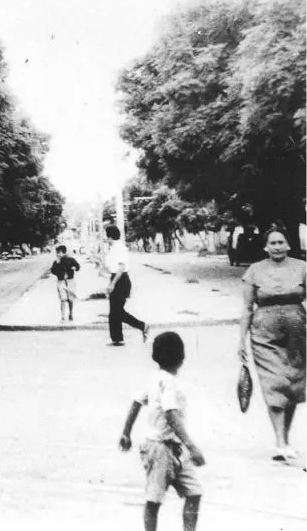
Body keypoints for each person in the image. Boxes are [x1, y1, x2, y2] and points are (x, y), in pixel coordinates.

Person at [119, 331, 204, 531]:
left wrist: (126, 432)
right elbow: (171, 414)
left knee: (193, 492)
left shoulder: (154, 378)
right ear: (182, 358)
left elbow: (136, 402)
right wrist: (192, 446)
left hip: (174, 449)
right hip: (160, 449)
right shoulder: (168, 383)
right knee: (154, 499)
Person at [237, 225, 306, 461]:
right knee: (274, 382)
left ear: (288, 244)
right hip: (264, 333)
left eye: (281, 242)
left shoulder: (302, 267)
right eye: (273, 243)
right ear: (265, 247)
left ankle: (285, 439)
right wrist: (241, 340)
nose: (277, 247)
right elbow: (246, 308)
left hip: (298, 331)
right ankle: (279, 442)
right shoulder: (254, 271)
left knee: (294, 384)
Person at [104, 224, 148, 345]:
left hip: (121, 280)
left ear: (110, 237)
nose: (106, 239)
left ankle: (142, 326)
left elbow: (121, 267)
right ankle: (117, 338)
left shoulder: (119, 248)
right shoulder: (113, 248)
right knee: (114, 311)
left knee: (117, 311)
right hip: (116, 278)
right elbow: (111, 268)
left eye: (107, 237)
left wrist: (112, 284)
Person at [50, 244, 81, 322]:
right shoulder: (56, 261)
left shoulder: (71, 259)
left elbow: (78, 266)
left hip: (70, 281)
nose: (58, 254)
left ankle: (71, 314)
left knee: (70, 299)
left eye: (59, 252)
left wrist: (74, 268)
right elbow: (53, 271)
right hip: (61, 282)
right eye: (57, 252)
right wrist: (57, 264)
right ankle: (63, 316)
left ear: (64, 252)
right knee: (63, 299)